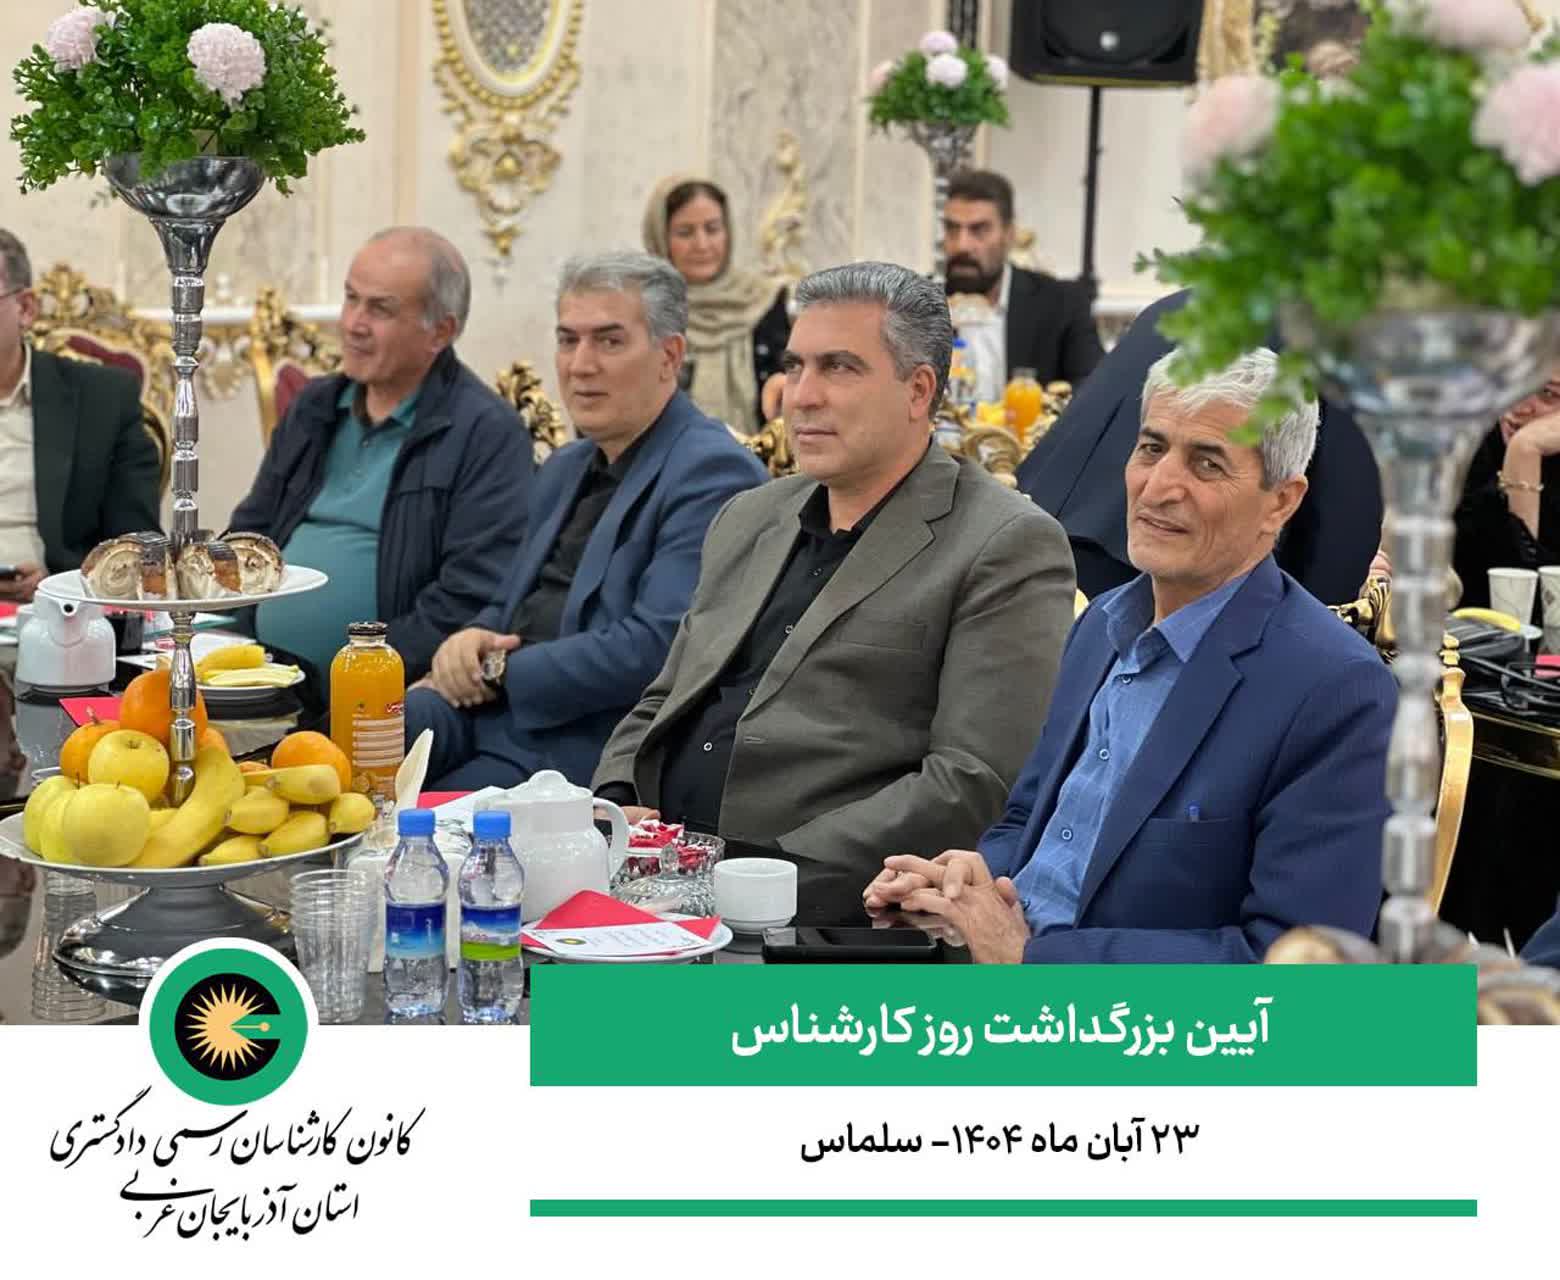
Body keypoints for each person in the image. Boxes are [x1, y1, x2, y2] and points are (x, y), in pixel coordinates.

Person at [865, 347, 1396, 964]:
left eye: (1207, 463)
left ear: (1281, 500)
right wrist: (970, 884)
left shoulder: (1337, 691)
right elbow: (1028, 824)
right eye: (1151, 448)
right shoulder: (1101, 623)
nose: (1159, 487)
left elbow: (1299, 966)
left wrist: (1033, 960)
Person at [593, 261, 1077, 883]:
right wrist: (616, 804)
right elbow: (666, 697)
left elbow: (972, 782)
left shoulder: (1003, 544)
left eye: (838, 368)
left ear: (919, 391)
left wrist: (762, 871)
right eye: (795, 366)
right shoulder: (748, 517)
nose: (801, 396)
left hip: (819, 903)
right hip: (654, 876)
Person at [403, 252, 768, 788]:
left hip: (585, 739)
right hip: (491, 710)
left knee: (407, 820)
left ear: (669, 356)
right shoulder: (566, 465)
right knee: (350, 749)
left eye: (609, 341)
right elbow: (513, 605)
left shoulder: (712, 471)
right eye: (568, 339)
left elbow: (658, 646)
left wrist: (500, 671)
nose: (580, 365)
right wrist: (469, 643)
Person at [228, 227, 533, 683]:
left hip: (378, 691)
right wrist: (224, 639)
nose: (353, 324)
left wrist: (359, 673)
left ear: (441, 332)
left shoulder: (485, 433)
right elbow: (251, 535)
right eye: (351, 299)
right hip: (258, 673)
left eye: (380, 309)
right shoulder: (316, 406)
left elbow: (467, 597)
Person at [1017, 289, 1384, 606]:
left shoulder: (1179, 301)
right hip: (1164, 569)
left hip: (1043, 539)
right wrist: (1337, 609)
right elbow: (1342, 522)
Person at [0, 229, 160, 601]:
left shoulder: (102, 401)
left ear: (26, 308)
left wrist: (58, 584)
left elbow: (138, 548)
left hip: (56, 614)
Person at [643, 175, 789, 434]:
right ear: (660, 238)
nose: (702, 244)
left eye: (712, 229)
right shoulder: (643, 308)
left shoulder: (763, 301)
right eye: (685, 232)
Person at [941, 170, 1103, 402]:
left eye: (979, 230)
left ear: (1009, 234)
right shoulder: (916, 306)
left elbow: (1094, 390)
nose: (962, 245)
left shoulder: (1062, 304)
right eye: (952, 229)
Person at [1452, 372, 1560, 608]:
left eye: (1548, 393)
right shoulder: (1474, 441)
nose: (1518, 406)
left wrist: (1524, 452)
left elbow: (1533, 614)